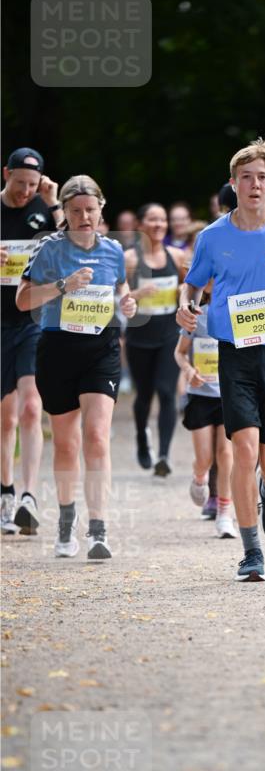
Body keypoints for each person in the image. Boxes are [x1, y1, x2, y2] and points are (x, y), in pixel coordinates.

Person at [177, 138, 265, 583]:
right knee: (244, 449)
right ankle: (251, 552)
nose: (254, 184)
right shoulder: (212, 237)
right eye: (246, 177)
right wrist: (185, 306)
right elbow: (193, 283)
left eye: (262, 177)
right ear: (233, 183)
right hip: (235, 353)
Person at [15, 174, 136, 560]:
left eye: (91, 210)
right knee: (66, 443)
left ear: (102, 210)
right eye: (76, 211)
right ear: (64, 212)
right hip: (58, 349)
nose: (85, 217)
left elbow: (121, 289)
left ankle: (98, 529)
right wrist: (63, 286)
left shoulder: (114, 250)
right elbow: (22, 300)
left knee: (97, 436)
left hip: (101, 348)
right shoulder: (48, 248)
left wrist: (127, 302)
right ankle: (66, 521)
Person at [1, 147, 62, 536]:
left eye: (33, 185)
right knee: (5, 417)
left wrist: (53, 203)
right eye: (20, 183)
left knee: (31, 407)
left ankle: (29, 496)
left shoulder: (44, 209)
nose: (26, 192)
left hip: (32, 321)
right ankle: (5, 491)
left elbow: (73, 245)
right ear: (5, 174)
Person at [124, 203, 185, 476]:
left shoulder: (177, 255)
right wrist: (136, 295)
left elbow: (192, 288)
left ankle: (163, 455)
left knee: (167, 391)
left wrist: (182, 290)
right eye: (152, 219)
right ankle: (141, 436)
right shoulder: (129, 259)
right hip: (139, 337)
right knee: (145, 395)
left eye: (162, 220)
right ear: (140, 225)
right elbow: (115, 295)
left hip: (169, 335)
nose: (159, 225)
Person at [174, 298, 236, 538]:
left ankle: (224, 514)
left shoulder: (236, 309)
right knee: (204, 458)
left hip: (228, 394)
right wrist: (189, 371)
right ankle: (199, 477)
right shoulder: (195, 315)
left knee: (225, 453)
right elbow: (180, 353)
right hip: (200, 395)